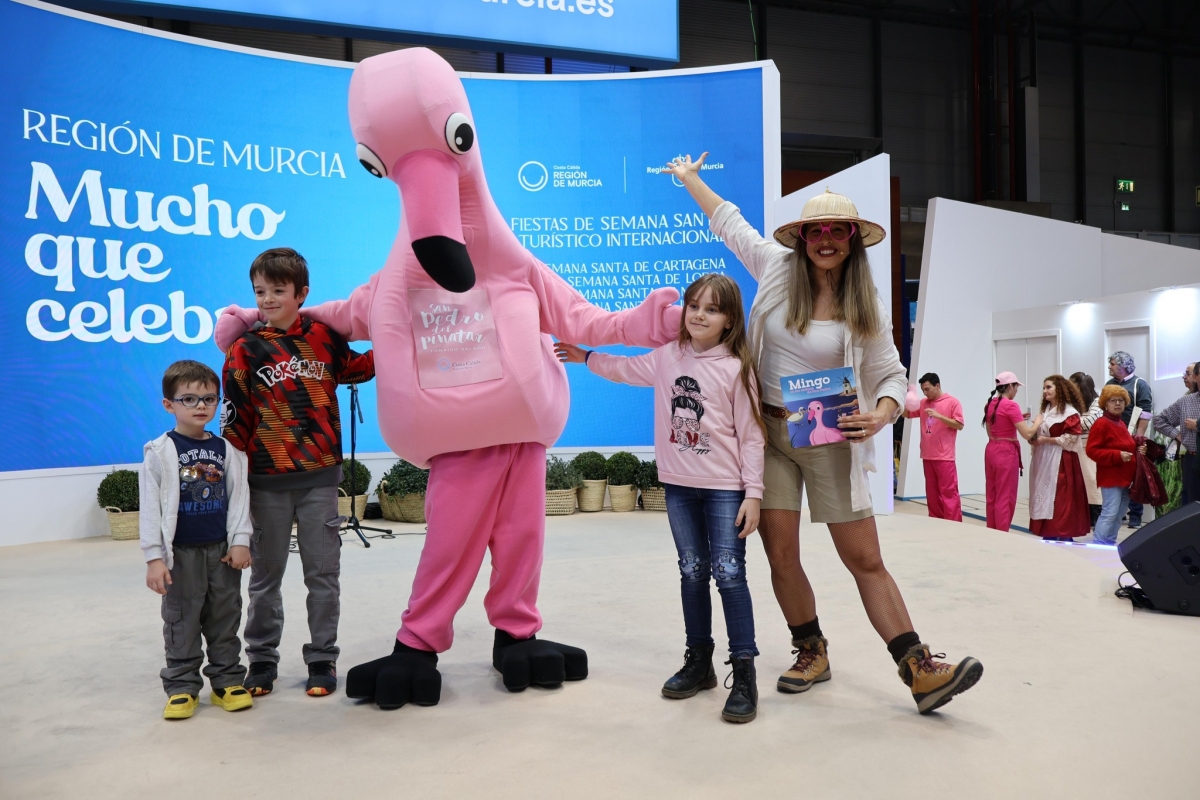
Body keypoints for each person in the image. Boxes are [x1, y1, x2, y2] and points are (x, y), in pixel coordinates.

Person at [663, 152, 983, 716]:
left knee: (863, 558)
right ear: (803, 237)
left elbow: (890, 376)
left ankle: (920, 669)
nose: (827, 240)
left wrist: (884, 413)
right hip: (767, 435)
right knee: (780, 554)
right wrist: (691, 179)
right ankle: (811, 650)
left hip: (830, 437)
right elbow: (731, 222)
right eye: (818, 230)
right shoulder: (776, 269)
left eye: (839, 231)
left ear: (854, 239)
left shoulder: (866, 302)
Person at [555, 274, 765, 723]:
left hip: (725, 489)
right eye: (693, 306)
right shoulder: (668, 357)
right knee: (692, 573)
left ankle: (744, 672)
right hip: (678, 485)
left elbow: (751, 437)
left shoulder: (737, 368)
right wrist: (587, 356)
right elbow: (625, 370)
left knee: (729, 576)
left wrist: (754, 493)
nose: (699, 315)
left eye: (711, 309)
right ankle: (699, 661)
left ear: (729, 321)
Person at [222, 248, 375, 698]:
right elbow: (235, 422)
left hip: (319, 481)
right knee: (264, 580)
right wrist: (235, 484)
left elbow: (358, 369)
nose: (267, 300)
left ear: (302, 294)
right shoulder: (244, 350)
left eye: (277, 291)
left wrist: (395, 335)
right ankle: (262, 662)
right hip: (266, 484)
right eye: (259, 292)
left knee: (322, 576)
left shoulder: (325, 338)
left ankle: (323, 659)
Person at [140, 360, 254, 720]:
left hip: (220, 553)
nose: (200, 406)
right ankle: (182, 686)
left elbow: (239, 500)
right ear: (168, 404)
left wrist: (240, 540)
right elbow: (151, 510)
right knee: (182, 619)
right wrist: (154, 557)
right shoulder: (159, 453)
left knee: (224, 616)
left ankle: (226, 682)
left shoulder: (229, 452)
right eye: (188, 399)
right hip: (181, 555)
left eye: (208, 398)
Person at [1028, 375, 1091, 540]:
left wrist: (1046, 440)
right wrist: (1033, 436)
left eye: (1049, 387)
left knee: (1061, 497)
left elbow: (1070, 438)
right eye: (1044, 388)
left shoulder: (1070, 413)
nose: (1045, 391)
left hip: (1062, 460)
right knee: (1043, 494)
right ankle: (1047, 531)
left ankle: (1062, 532)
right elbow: (1036, 434)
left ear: (1060, 390)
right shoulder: (1045, 412)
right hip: (1043, 459)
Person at [1087, 385, 1146, 546]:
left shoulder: (1119, 423)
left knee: (1118, 514)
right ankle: (1099, 544)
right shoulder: (1101, 424)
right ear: (1105, 404)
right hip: (1111, 478)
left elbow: (1125, 445)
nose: (1117, 404)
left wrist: (1137, 446)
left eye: (1120, 400)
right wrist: (1117, 455)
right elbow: (1092, 451)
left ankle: (1109, 543)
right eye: (1113, 400)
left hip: (1126, 479)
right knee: (1109, 513)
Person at [981, 373, 1041, 532]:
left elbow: (991, 431)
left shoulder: (991, 404)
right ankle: (1002, 533)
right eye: (1016, 387)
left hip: (991, 449)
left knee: (992, 494)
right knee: (1005, 496)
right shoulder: (1011, 406)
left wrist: (1016, 419)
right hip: (1006, 452)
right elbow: (1028, 434)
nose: (1017, 391)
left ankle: (992, 531)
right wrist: (1038, 422)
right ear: (1009, 386)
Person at [905, 372, 965, 521]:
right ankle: (935, 521)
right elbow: (907, 414)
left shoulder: (952, 402)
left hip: (944, 456)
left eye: (927, 389)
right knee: (932, 493)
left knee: (948, 492)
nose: (925, 393)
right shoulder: (924, 402)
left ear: (937, 385)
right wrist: (903, 399)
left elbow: (959, 425)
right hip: (927, 455)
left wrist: (939, 416)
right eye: (923, 390)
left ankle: (954, 523)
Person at [1106, 351, 1152, 527]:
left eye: (1112, 364)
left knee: (1134, 475)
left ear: (1123, 366)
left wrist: (1138, 437)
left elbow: (1146, 411)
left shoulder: (1140, 384)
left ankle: (1135, 514)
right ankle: (1119, 511)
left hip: (1131, 436)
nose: (1109, 367)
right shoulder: (1109, 384)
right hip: (1112, 437)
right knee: (1116, 474)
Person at [1153, 361, 1200, 507]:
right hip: (1192, 459)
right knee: (1193, 505)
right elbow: (1159, 420)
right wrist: (1178, 435)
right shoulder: (1186, 402)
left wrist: (1197, 425)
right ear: (1196, 377)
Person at [1069, 372, 1103, 526]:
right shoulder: (1071, 404)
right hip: (1073, 448)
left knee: (1091, 482)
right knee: (1076, 484)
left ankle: (1094, 518)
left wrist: (1068, 422)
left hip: (1090, 448)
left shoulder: (1098, 402)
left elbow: (1087, 423)